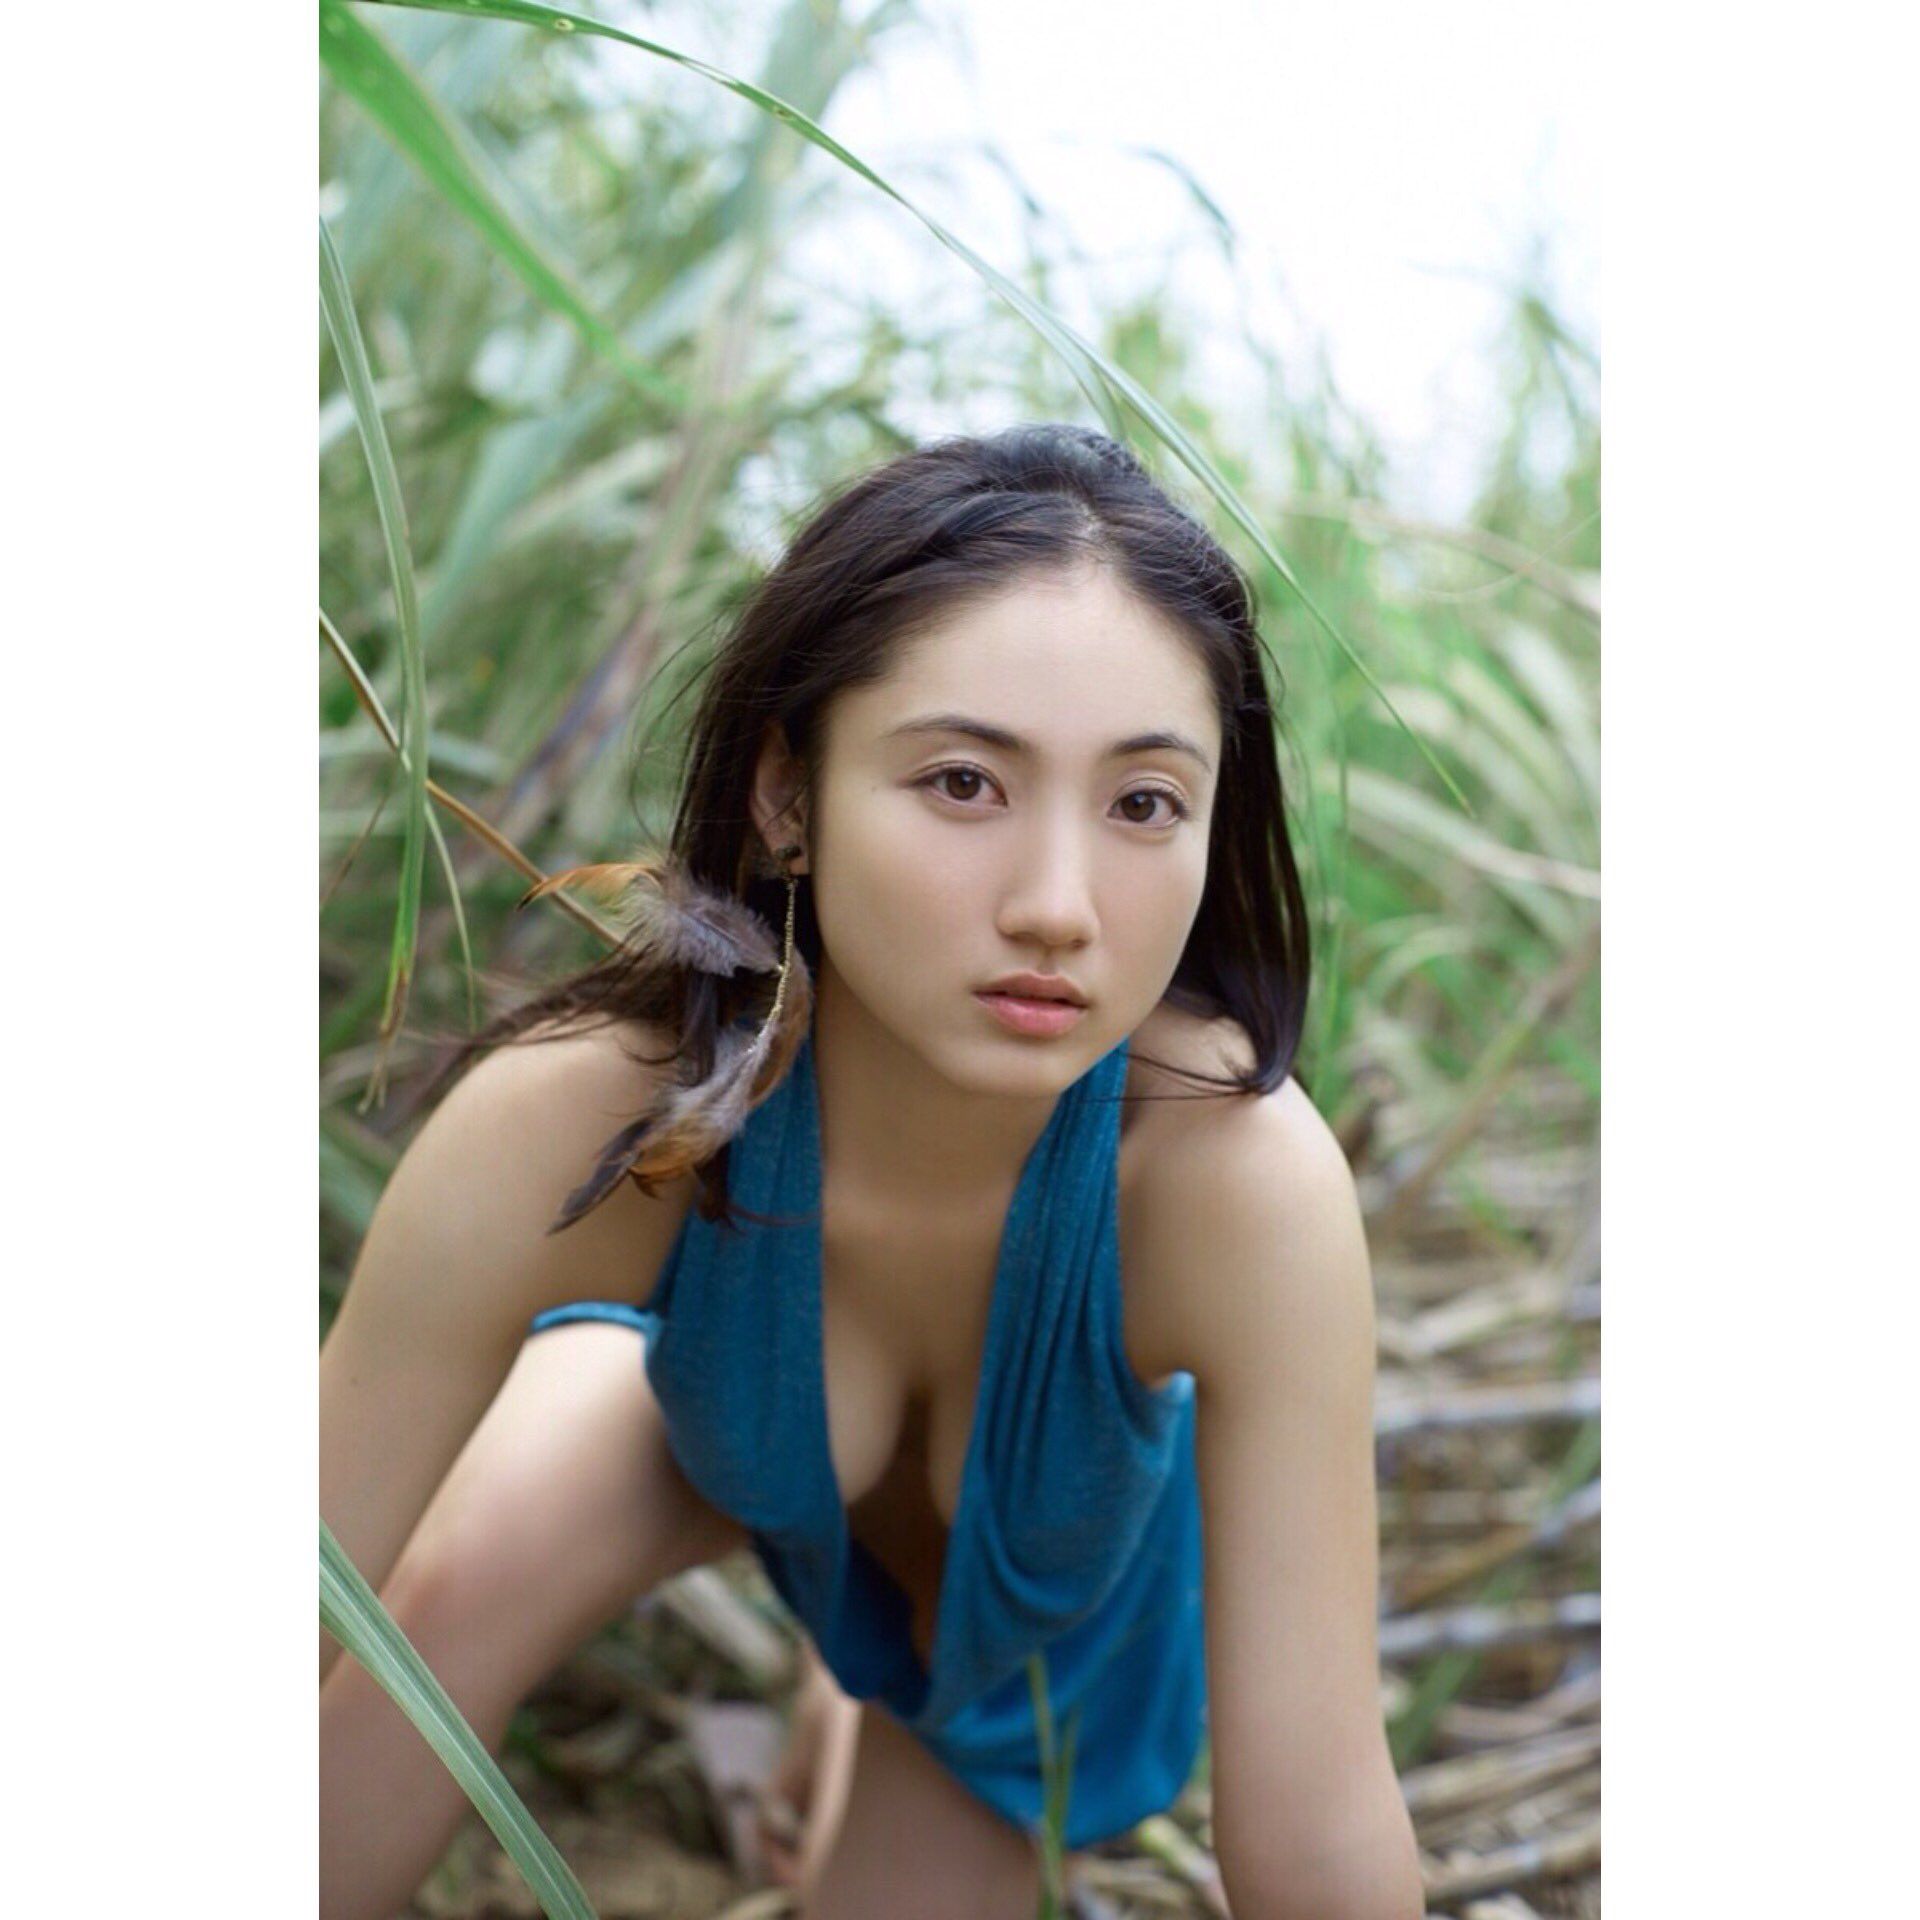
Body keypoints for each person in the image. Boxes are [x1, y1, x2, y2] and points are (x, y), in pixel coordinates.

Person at [318, 424, 1425, 1920]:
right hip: (692, 1426)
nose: (1057, 907)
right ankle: (815, 1680)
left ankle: (848, 1700)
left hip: (1031, 1656)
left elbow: (1317, 1842)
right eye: (964, 782)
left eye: (1142, 803)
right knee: (436, 1607)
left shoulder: (1231, 1182)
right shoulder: (580, 1116)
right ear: (788, 797)